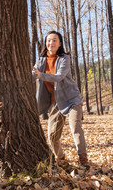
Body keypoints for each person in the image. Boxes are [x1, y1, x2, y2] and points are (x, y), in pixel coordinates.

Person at [32, 31, 88, 166]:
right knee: (52, 136)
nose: (51, 43)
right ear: (45, 43)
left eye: (54, 40)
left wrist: (41, 75)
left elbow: (59, 76)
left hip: (71, 99)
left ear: (60, 43)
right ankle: (62, 159)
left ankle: (83, 160)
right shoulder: (40, 60)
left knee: (75, 127)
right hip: (55, 102)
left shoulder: (64, 58)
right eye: (49, 40)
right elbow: (33, 75)